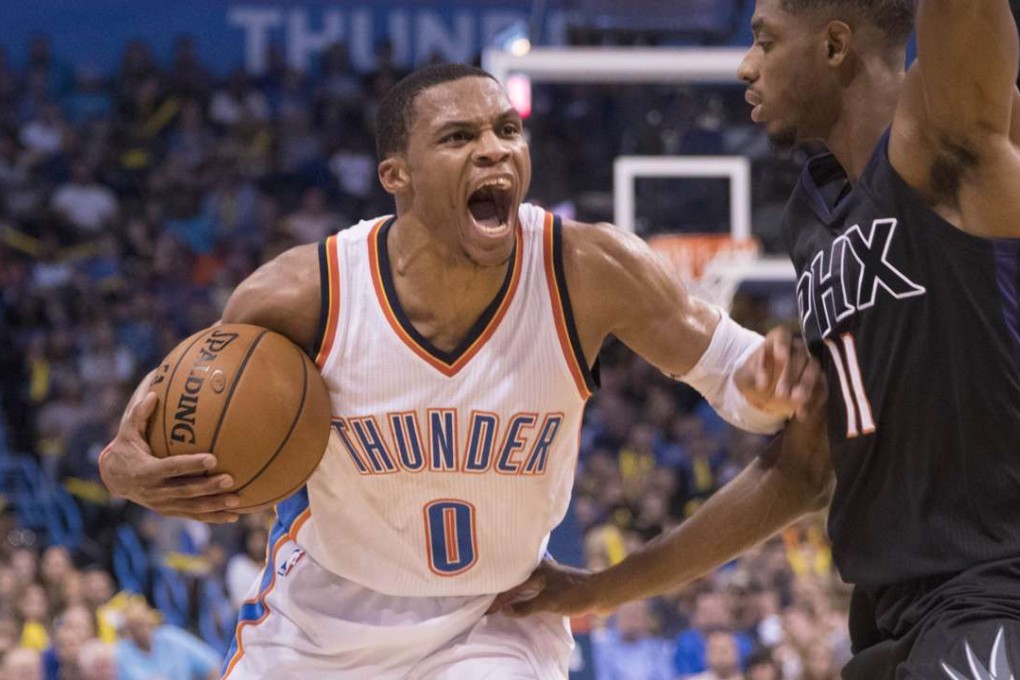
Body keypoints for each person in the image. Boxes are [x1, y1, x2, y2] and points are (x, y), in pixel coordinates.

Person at [99, 63, 823, 678]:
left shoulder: (588, 268)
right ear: (397, 175)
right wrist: (121, 464)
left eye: (507, 131)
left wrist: (765, 384)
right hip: (323, 617)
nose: (495, 151)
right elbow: (190, 384)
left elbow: (737, 373)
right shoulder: (305, 294)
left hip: (496, 619)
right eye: (459, 137)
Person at [496, 0, 1020, 677]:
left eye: (765, 42)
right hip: (890, 621)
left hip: (992, 591)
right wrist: (601, 587)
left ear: (836, 46)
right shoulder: (815, 217)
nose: (746, 65)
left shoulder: (943, 147)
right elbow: (800, 471)